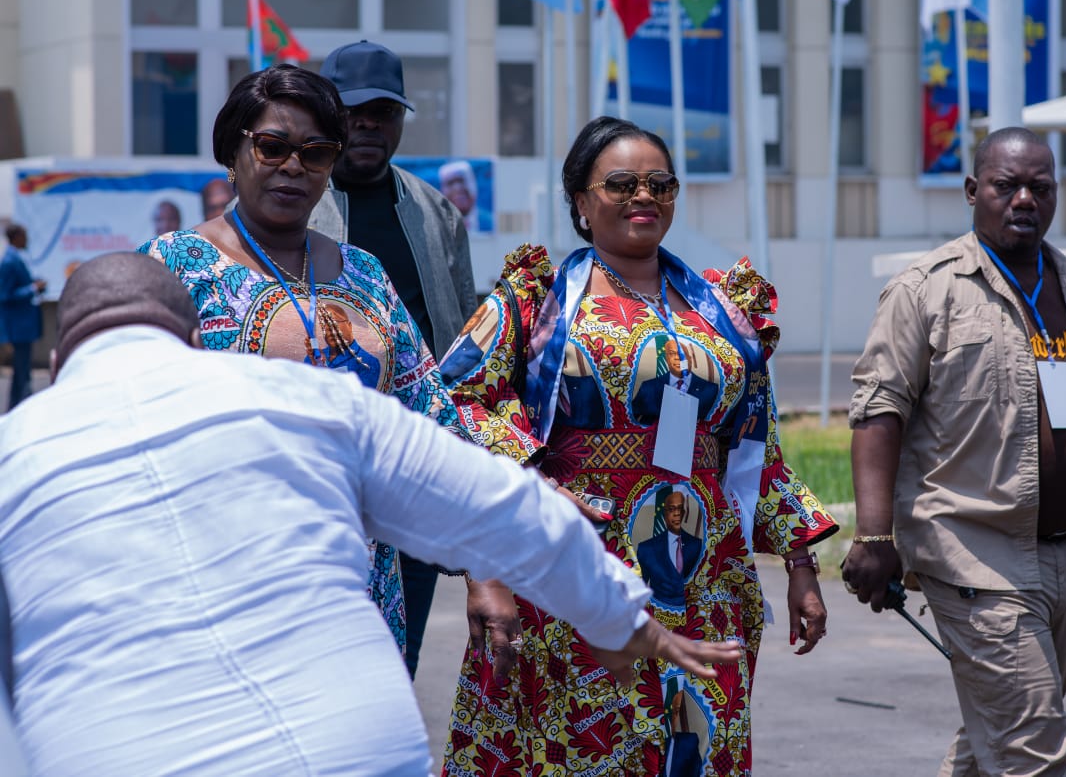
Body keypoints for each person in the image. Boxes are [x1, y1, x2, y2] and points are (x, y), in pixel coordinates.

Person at [0, 252, 741, 776]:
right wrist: (619, 620)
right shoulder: (305, 399)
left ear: (58, 365)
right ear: (194, 340)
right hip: (350, 744)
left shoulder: (15, 451)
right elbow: (503, 506)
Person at [436, 115, 838, 776]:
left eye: (660, 184)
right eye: (621, 183)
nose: (643, 196)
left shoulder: (720, 309)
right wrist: (528, 478)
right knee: (586, 740)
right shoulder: (538, 300)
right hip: (578, 560)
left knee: (693, 738)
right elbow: (453, 399)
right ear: (580, 201)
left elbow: (755, 444)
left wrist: (800, 565)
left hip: (703, 574)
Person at [842, 127, 1066, 777]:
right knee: (1034, 750)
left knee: (994, 742)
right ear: (973, 190)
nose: (1024, 199)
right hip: (974, 552)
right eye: (1007, 186)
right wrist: (872, 534)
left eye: (1040, 187)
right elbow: (878, 410)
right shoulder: (926, 289)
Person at [140, 63, 462, 659]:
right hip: (228, 582)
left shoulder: (364, 272)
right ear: (232, 152)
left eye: (316, 153)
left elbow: (433, 415)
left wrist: (513, 517)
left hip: (361, 582)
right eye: (273, 146)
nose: (294, 166)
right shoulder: (172, 265)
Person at [313, 40, 480, 677]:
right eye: (352, 112)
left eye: (383, 113)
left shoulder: (435, 212)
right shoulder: (297, 202)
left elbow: (465, 342)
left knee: (395, 658)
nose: (368, 126)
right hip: (325, 469)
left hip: (413, 468)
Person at [0, 224, 46, 410]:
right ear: (16, 237)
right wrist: (32, 289)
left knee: (21, 372)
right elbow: (5, 295)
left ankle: (15, 408)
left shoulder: (16, 258)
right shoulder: (9, 261)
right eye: (24, 235)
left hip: (23, 326)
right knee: (22, 372)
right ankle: (23, 409)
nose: (27, 239)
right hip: (18, 326)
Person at [638, 489, 705, 606]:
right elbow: (639, 589)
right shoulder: (646, 548)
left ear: (684, 512)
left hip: (690, 610)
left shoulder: (696, 545)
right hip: (657, 610)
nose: (676, 513)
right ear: (664, 514)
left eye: (679, 508)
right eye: (671, 509)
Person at [438, 159, 478, 229]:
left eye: (461, 181)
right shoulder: (436, 226)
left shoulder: (490, 223)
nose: (457, 188)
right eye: (450, 183)